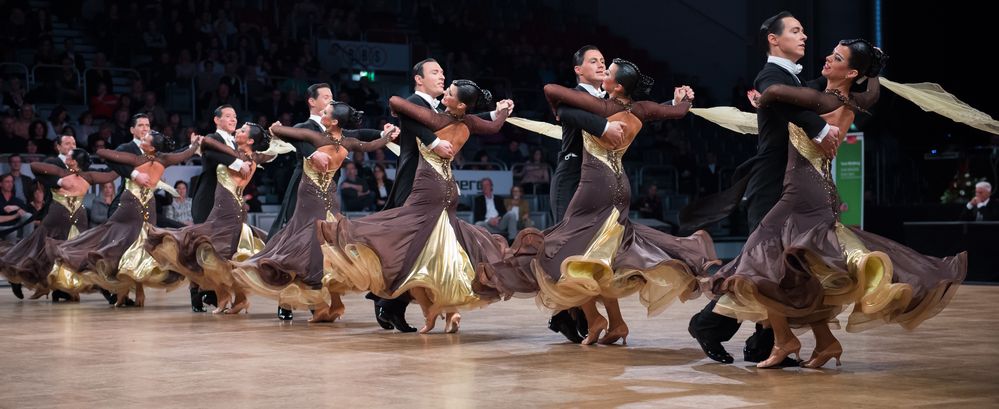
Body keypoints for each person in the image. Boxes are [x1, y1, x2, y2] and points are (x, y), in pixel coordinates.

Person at [710, 39, 965, 369]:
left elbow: (775, 94)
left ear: (852, 71)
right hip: (814, 190)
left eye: (838, 57)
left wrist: (765, 98)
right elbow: (867, 92)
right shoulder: (854, 99)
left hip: (802, 193)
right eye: (832, 53)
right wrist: (873, 67)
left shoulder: (823, 100)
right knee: (794, 267)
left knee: (759, 259)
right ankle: (822, 342)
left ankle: (786, 338)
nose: (828, 58)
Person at [484, 59, 715, 346]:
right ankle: (612, 322)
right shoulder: (639, 109)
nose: (603, 69)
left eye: (608, 70)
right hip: (621, 187)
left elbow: (551, 91)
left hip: (594, 187)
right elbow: (676, 112)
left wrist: (599, 122)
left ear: (616, 86)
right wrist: (683, 101)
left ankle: (592, 318)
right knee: (601, 255)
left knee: (560, 250)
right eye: (598, 64)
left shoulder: (603, 107)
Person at [684, 11, 843, 365]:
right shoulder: (771, 76)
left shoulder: (795, 81)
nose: (804, 36)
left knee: (787, 266)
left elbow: (817, 94)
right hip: (772, 183)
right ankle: (710, 325)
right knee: (761, 264)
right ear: (774, 39)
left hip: (795, 183)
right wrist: (819, 129)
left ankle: (766, 342)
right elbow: (788, 102)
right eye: (796, 31)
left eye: (804, 30)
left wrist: (850, 72)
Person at [319, 80, 512, 333]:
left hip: (428, 188)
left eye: (450, 93)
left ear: (461, 104)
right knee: (443, 250)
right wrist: (502, 112)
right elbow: (495, 126)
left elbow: (397, 103)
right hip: (448, 189)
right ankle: (445, 311)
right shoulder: (469, 122)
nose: (445, 90)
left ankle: (428, 309)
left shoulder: (436, 120)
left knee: (411, 244)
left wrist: (431, 141)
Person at [230, 102, 398, 322]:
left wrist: (276, 127)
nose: (322, 113)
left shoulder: (316, 138)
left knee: (309, 249)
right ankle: (334, 304)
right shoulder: (347, 142)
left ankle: (319, 305)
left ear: (334, 121)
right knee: (330, 249)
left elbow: (281, 131)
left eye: (326, 113)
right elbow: (371, 144)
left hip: (309, 200)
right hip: (329, 198)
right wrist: (385, 138)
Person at [265, 83, 385, 321]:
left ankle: (324, 300)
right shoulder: (305, 127)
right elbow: (298, 141)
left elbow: (363, 136)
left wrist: (384, 133)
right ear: (312, 102)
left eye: (332, 98)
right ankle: (287, 301)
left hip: (328, 192)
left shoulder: (341, 132)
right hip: (304, 189)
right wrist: (311, 153)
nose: (331, 100)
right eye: (327, 97)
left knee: (327, 244)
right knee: (294, 240)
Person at [51, 129, 202, 307]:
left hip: (130, 208)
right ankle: (129, 292)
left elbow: (103, 153)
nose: (142, 139)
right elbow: (185, 153)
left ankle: (114, 283)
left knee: (114, 241)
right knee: (141, 247)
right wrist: (194, 145)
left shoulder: (137, 160)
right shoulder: (164, 159)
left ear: (151, 148)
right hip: (148, 208)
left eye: (145, 139)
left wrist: (133, 172)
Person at [147, 125, 273, 314]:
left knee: (223, 256)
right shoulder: (237, 156)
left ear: (250, 141)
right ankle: (232, 299)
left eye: (242, 131)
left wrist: (201, 142)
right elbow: (214, 150)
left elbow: (210, 142)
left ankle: (233, 299)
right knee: (220, 256)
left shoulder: (243, 159)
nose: (237, 130)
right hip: (222, 209)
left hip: (228, 210)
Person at [1, 149, 117, 301]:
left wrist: (126, 163)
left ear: (74, 162)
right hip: (56, 221)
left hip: (76, 222)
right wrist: (58, 182)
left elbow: (111, 175)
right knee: (42, 256)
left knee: (81, 256)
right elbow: (34, 166)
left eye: (69, 156)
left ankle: (91, 291)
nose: (66, 157)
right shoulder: (65, 173)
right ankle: (19, 276)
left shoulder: (79, 174)